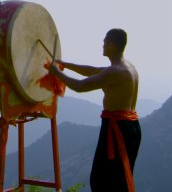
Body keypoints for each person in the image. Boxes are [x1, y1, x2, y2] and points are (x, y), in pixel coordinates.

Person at [47, 28, 141, 192]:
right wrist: (65, 65)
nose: (102, 44)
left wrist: (56, 73)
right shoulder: (126, 67)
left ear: (112, 44)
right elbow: (92, 70)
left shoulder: (116, 71)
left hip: (117, 129)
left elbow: (80, 86)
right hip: (129, 127)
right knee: (118, 179)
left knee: (102, 180)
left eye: (105, 41)